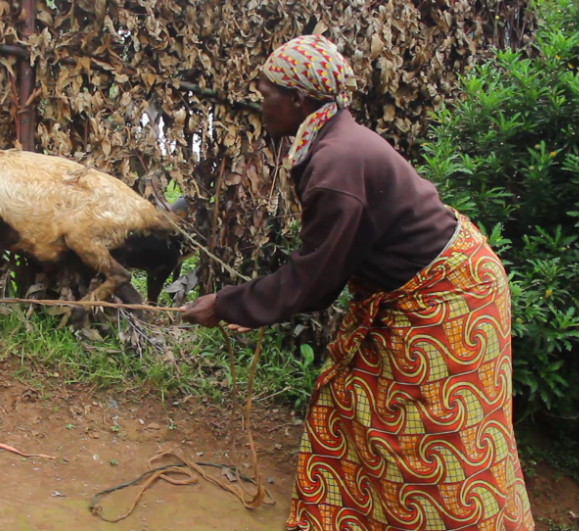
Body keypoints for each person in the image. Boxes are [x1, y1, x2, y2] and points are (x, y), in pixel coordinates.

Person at [181, 34, 534, 531]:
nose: (260, 105)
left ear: (300, 100)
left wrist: (225, 304)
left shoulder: (335, 165)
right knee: (358, 397)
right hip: (417, 288)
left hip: (450, 297)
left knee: (441, 434)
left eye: (266, 95)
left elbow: (314, 280)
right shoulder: (330, 142)